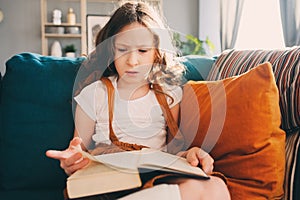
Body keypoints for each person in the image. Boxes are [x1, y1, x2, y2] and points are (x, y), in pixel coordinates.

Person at [46, 1, 231, 200]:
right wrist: (72, 161)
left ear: (157, 52)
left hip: (153, 180)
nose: (132, 61)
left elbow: (172, 153)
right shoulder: (95, 93)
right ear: (111, 51)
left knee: (216, 186)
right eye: (123, 50)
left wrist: (191, 154)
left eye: (143, 51)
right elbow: (78, 151)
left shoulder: (168, 95)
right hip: (106, 185)